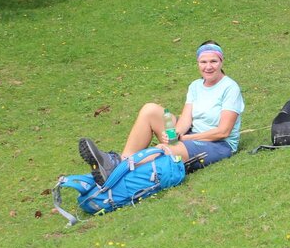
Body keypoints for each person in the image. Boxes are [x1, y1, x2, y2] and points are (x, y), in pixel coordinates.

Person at [78, 41, 244, 184]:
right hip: (192, 134)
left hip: (219, 145)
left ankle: (117, 168)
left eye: (213, 61)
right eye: (203, 62)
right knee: (150, 110)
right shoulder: (195, 86)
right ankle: (121, 159)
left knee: (164, 149)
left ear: (221, 62)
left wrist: (185, 138)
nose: (208, 67)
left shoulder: (230, 88)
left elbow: (223, 131)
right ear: (198, 63)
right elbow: (186, 118)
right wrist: (175, 134)